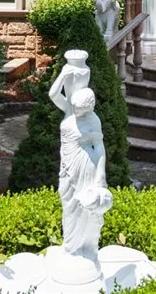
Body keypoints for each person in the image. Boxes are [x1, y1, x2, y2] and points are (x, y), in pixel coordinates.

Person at [57, 87, 112, 264]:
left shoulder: (94, 121)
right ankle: (71, 246)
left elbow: (99, 147)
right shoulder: (69, 120)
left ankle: (88, 247)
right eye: (74, 107)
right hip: (67, 168)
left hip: (87, 166)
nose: (75, 110)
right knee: (69, 204)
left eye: (78, 108)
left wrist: (100, 174)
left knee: (88, 207)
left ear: (88, 107)